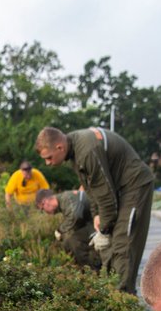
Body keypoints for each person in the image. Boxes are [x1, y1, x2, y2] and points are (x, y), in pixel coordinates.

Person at [35, 126, 153, 295]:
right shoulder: (75, 150)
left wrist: (104, 229)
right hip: (119, 189)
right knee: (112, 242)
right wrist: (97, 214)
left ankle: (124, 301)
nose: (48, 163)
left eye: (49, 158)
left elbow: (105, 194)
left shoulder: (86, 150)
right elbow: (91, 190)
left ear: (59, 147)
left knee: (122, 243)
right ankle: (115, 294)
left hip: (134, 186)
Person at [34, 188, 100, 270]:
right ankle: (82, 268)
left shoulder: (66, 198)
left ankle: (91, 271)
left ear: (45, 202)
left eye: (42, 209)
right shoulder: (63, 201)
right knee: (69, 242)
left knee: (74, 240)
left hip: (99, 219)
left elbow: (75, 216)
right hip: (93, 221)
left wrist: (60, 230)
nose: (45, 212)